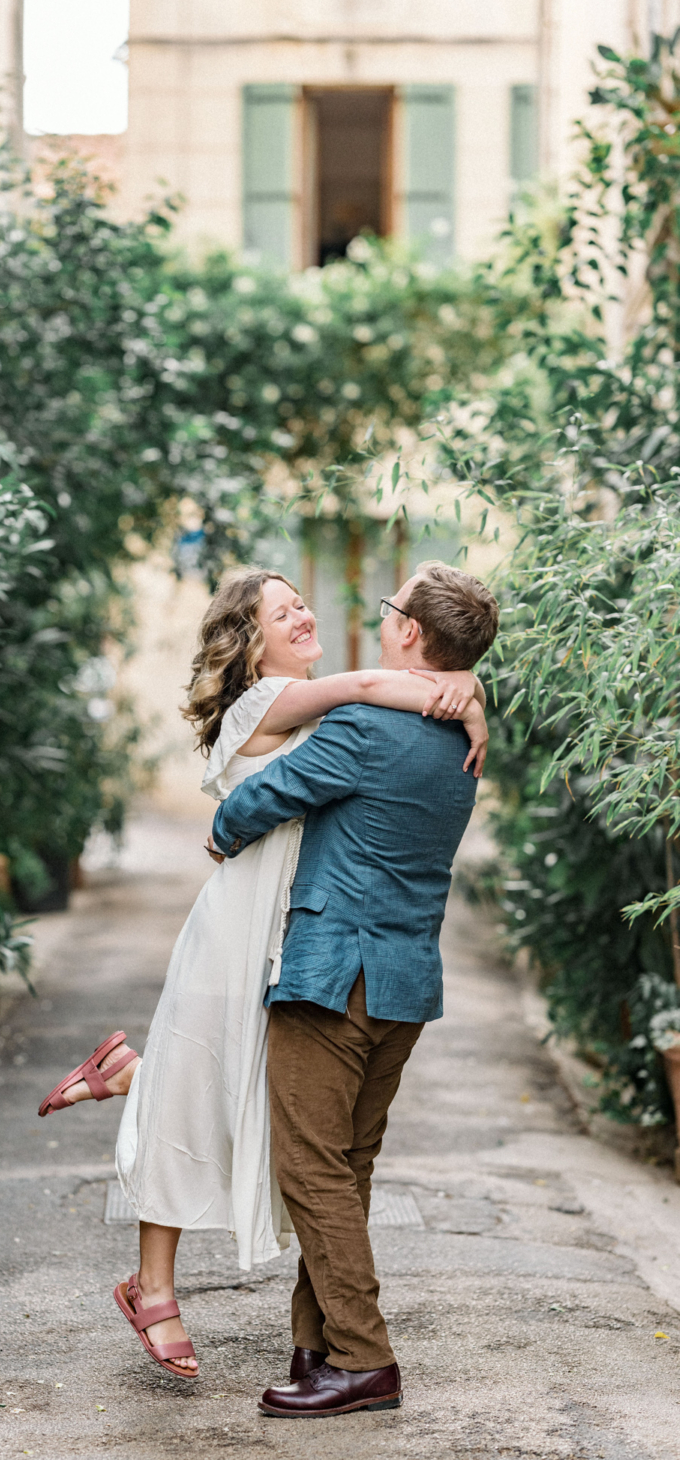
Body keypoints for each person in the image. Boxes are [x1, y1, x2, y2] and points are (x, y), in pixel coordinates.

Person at [35, 566, 490, 1380]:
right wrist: (460, 685)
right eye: (283, 612)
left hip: (299, 935)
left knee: (252, 1099)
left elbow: (382, 694)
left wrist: (461, 682)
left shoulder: (355, 709)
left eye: (302, 602)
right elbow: (367, 690)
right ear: (250, 642)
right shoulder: (279, 703)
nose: (305, 615)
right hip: (244, 921)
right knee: (214, 1094)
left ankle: (132, 1075)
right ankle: (159, 1283)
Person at [209, 559, 499, 1417]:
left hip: (336, 975)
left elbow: (259, 802)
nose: (382, 619)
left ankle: (364, 1361)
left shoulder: (367, 725)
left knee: (309, 1166)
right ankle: (321, 1346)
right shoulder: (462, 732)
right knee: (346, 1165)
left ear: (409, 632)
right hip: (404, 979)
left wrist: (223, 833)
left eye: (389, 609)